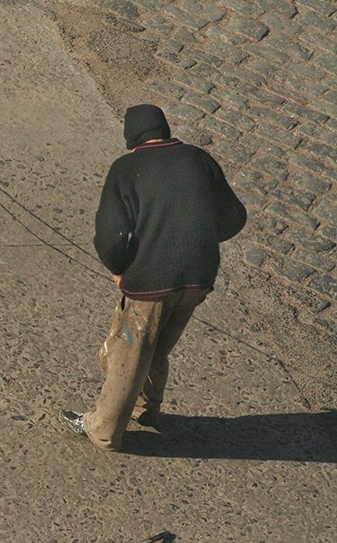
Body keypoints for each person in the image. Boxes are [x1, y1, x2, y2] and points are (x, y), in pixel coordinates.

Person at [60, 104, 247, 450]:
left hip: (152, 279)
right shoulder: (198, 159)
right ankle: (147, 410)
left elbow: (110, 237)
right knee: (158, 345)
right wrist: (196, 240)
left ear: (132, 138)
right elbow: (234, 217)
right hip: (200, 276)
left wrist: (119, 268)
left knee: (127, 354)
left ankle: (103, 430)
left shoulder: (126, 168)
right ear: (164, 129)